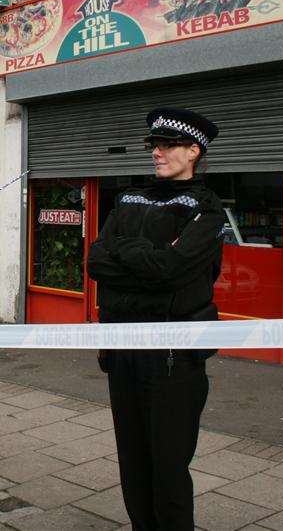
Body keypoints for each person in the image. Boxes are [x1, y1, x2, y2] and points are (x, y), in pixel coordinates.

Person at [87, 107, 224, 531]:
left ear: (194, 151)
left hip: (172, 359)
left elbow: (173, 270)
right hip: (123, 351)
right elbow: (95, 261)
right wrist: (148, 257)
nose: (157, 153)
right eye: (154, 145)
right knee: (133, 462)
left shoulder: (206, 210)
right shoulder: (129, 198)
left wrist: (125, 252)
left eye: (167, 145)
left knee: (168, 467)